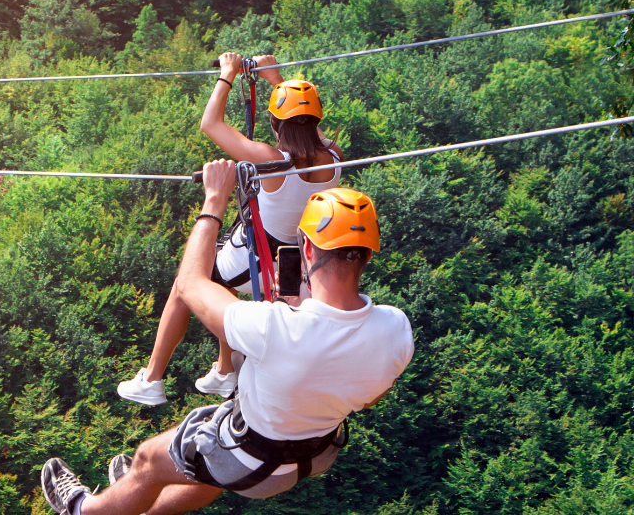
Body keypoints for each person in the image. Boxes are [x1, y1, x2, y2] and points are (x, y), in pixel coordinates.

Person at [42, 160, 413, 514]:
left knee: (147, 459)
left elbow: (189, 284)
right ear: (366, 257)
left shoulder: (273, 326)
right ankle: (141, 507)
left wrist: (214, 199)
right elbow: (367, 396)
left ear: (309, 249)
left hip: (248, 459)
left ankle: (82, 509)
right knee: (206, 465)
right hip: (309, 458)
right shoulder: (396, 330)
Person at [118, 53, 346, 405]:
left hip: (257, 257)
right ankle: (225, 370)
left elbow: (210, 124)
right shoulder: (335, 157)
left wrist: (227, 74)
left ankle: (152, 378)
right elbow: (308, 128)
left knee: (186, 284)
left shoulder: (271, 160)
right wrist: (276, 80)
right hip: (292, 263)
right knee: (223, 283)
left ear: (274, 122)